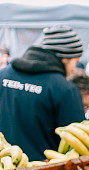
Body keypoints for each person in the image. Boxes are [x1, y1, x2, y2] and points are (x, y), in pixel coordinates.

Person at [0, 26, 84, 161]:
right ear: (65, 58)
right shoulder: (65, 89)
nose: (75, 69)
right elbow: (77, 142)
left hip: (3, 167)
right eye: (76, 61)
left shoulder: (2, 76)